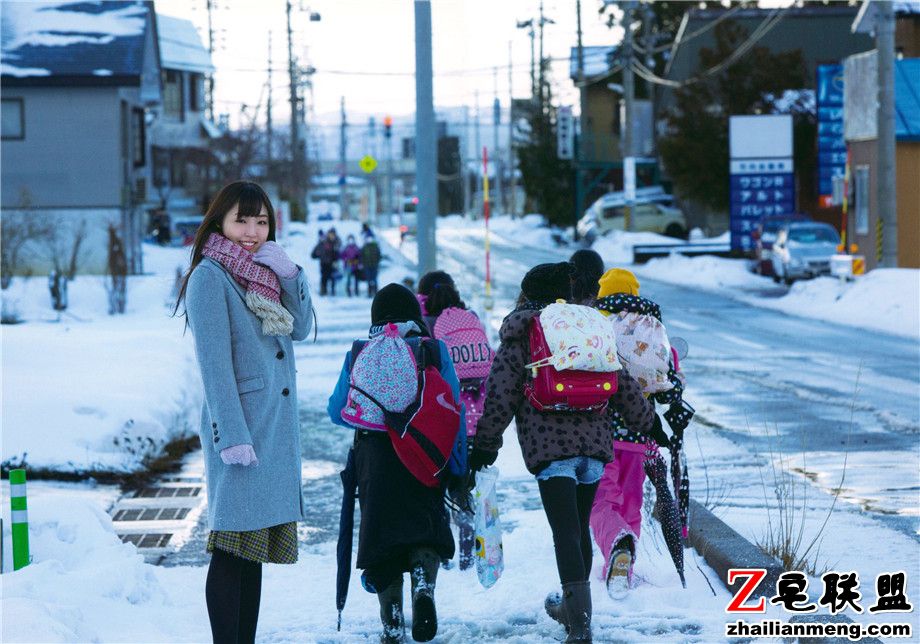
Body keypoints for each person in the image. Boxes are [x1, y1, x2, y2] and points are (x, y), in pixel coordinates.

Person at [470, 262, 655, 644]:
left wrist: (485, 446)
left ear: (527, 294)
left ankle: (580, 624)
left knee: (566, 532)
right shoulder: (587, 327)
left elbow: (500, 393)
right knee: (578, 529)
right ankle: (573, 610)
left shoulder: (522, 332)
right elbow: (621, 382)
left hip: (550, 449)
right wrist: (648, 423)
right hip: (594, 447)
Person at [173, 180, 313, 644]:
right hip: (243, 430)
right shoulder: (210, 276)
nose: (252, 231)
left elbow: (301, 328)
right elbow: (214, 367)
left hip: (271, 427)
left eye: (261, 221)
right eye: (242, 220)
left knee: (252, 550)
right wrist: (231, 435)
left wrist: (291, 275)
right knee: (232, 548)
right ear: (220, 222)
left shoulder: (264, 273)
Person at [328, 284, 464, 643]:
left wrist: (375, 415)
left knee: (382, 537)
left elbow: (337, 410)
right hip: (424, 455)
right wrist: (458, 465)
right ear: (416, 317)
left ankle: (391, 620)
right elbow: (454, 409)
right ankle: (423, 584)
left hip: (374, 458)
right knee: (425, 527)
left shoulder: (360, 351)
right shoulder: (432, 349)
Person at [589, 268, 689, 598]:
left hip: (598, 431)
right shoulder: (652, 327)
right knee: (631, 504)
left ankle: (616, 545)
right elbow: (671, 384)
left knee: (602, 502)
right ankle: (623, 572)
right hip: (639, 435)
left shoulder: (595, 323)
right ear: (634, 292)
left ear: (603, 294)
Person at [416, 271, 494, 569]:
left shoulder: (425, 325)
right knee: (465, 492)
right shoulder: (469, 319)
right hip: (475, 421)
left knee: (437, 493)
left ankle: (443, 555)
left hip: (442, 424)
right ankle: (467, 556)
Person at [312, 229, 341, 296]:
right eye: (330, 234)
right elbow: (314, 254)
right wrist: (318, 254)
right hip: (324, 263)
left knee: (333, 277)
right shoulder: (323, 242)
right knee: (324, 278)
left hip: (332, 263)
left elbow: (337, 252)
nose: (331, 236)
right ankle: (323, 291)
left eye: (333, 235)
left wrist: (336, 260)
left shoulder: (336, 242)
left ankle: (333, 291)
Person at [361, 233, 382, 297]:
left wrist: (377, 262)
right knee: (369, 280)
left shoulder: (376, 246)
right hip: (367, 266)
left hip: (374, 265)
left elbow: (379, 255)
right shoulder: (364, 247)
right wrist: (364, 264)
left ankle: (376, 293)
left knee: (374, 279)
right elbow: (362, 256)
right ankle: (369, 292)